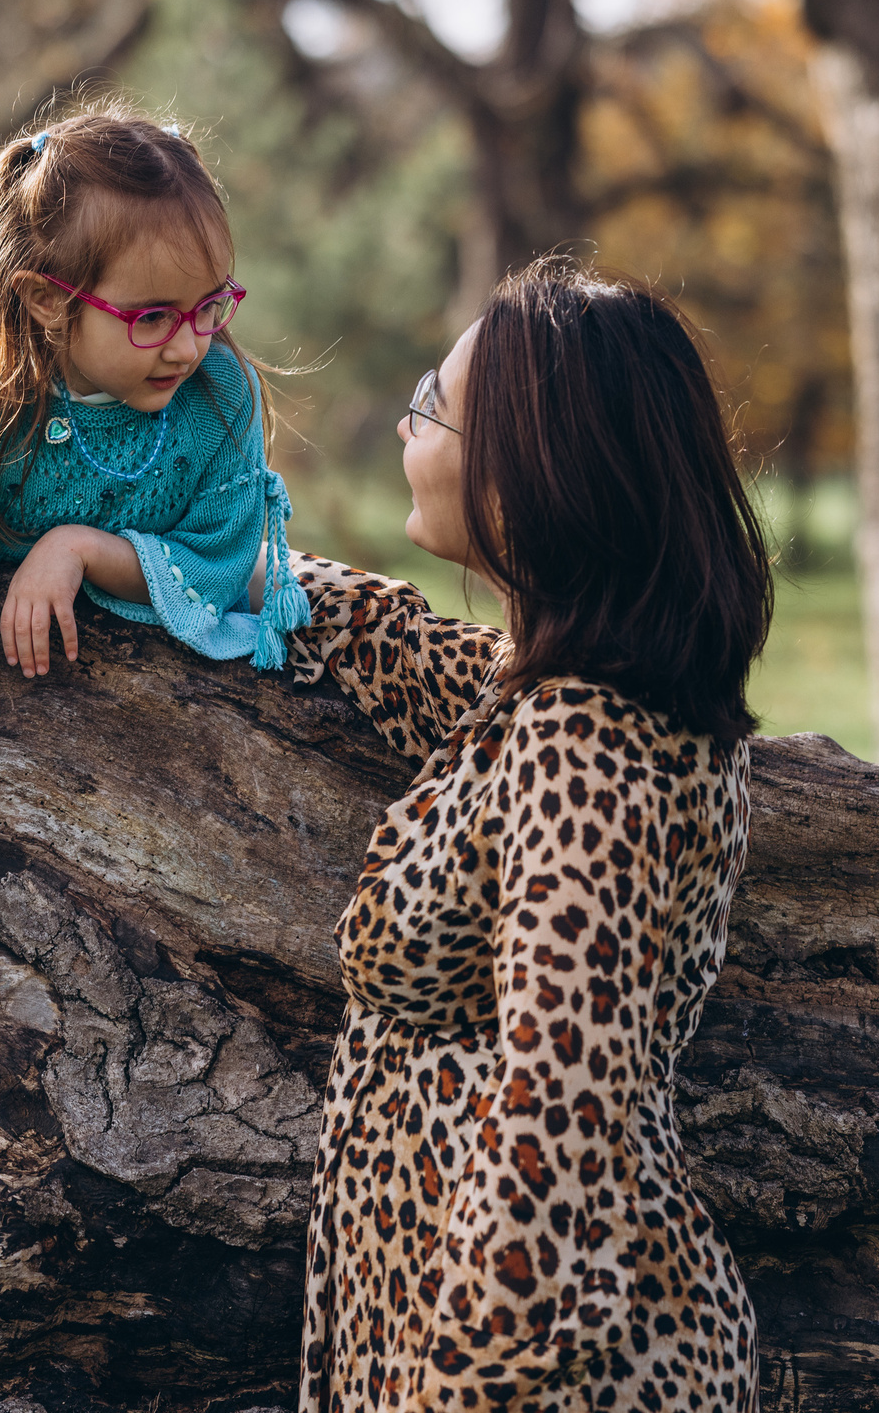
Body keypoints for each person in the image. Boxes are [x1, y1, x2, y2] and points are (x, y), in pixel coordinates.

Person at [289, 257, 775, 1412]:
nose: (409, 425)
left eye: (432, 403)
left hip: (529, 1367)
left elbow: (559, 1130)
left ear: (529, 469)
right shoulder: (553, 696)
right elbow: (389, 642)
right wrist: (145, 557)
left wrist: (459, 1387)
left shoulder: (585, 747)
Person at [0, 108, 305, 900]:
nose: (188, 345)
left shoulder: (217, 400)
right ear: (45, 298)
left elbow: (220, 556)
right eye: (151, 318)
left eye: (210, 306)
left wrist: (79, 548)